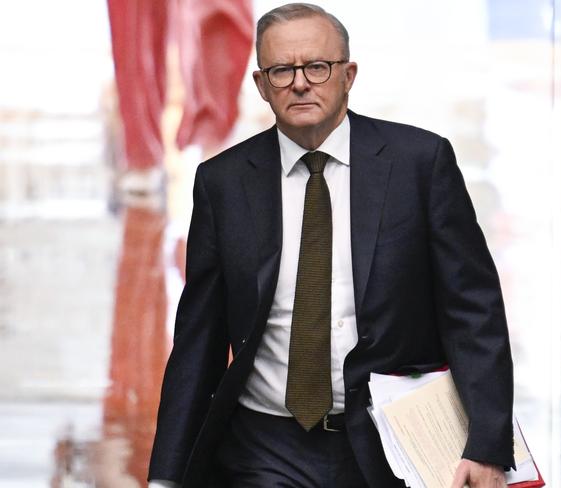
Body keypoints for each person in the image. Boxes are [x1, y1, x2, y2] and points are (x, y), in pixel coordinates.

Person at [148, 3, 514, 488]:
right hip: (264, 445)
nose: (300, 83)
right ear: (261, 85)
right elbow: (199, 340)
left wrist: (487, 443)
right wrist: (165, 476)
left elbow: (473, 311)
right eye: (282, 71)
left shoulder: (419, 165)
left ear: (348, 74)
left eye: (317, 67)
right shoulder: (223, 183)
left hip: (392, 440)